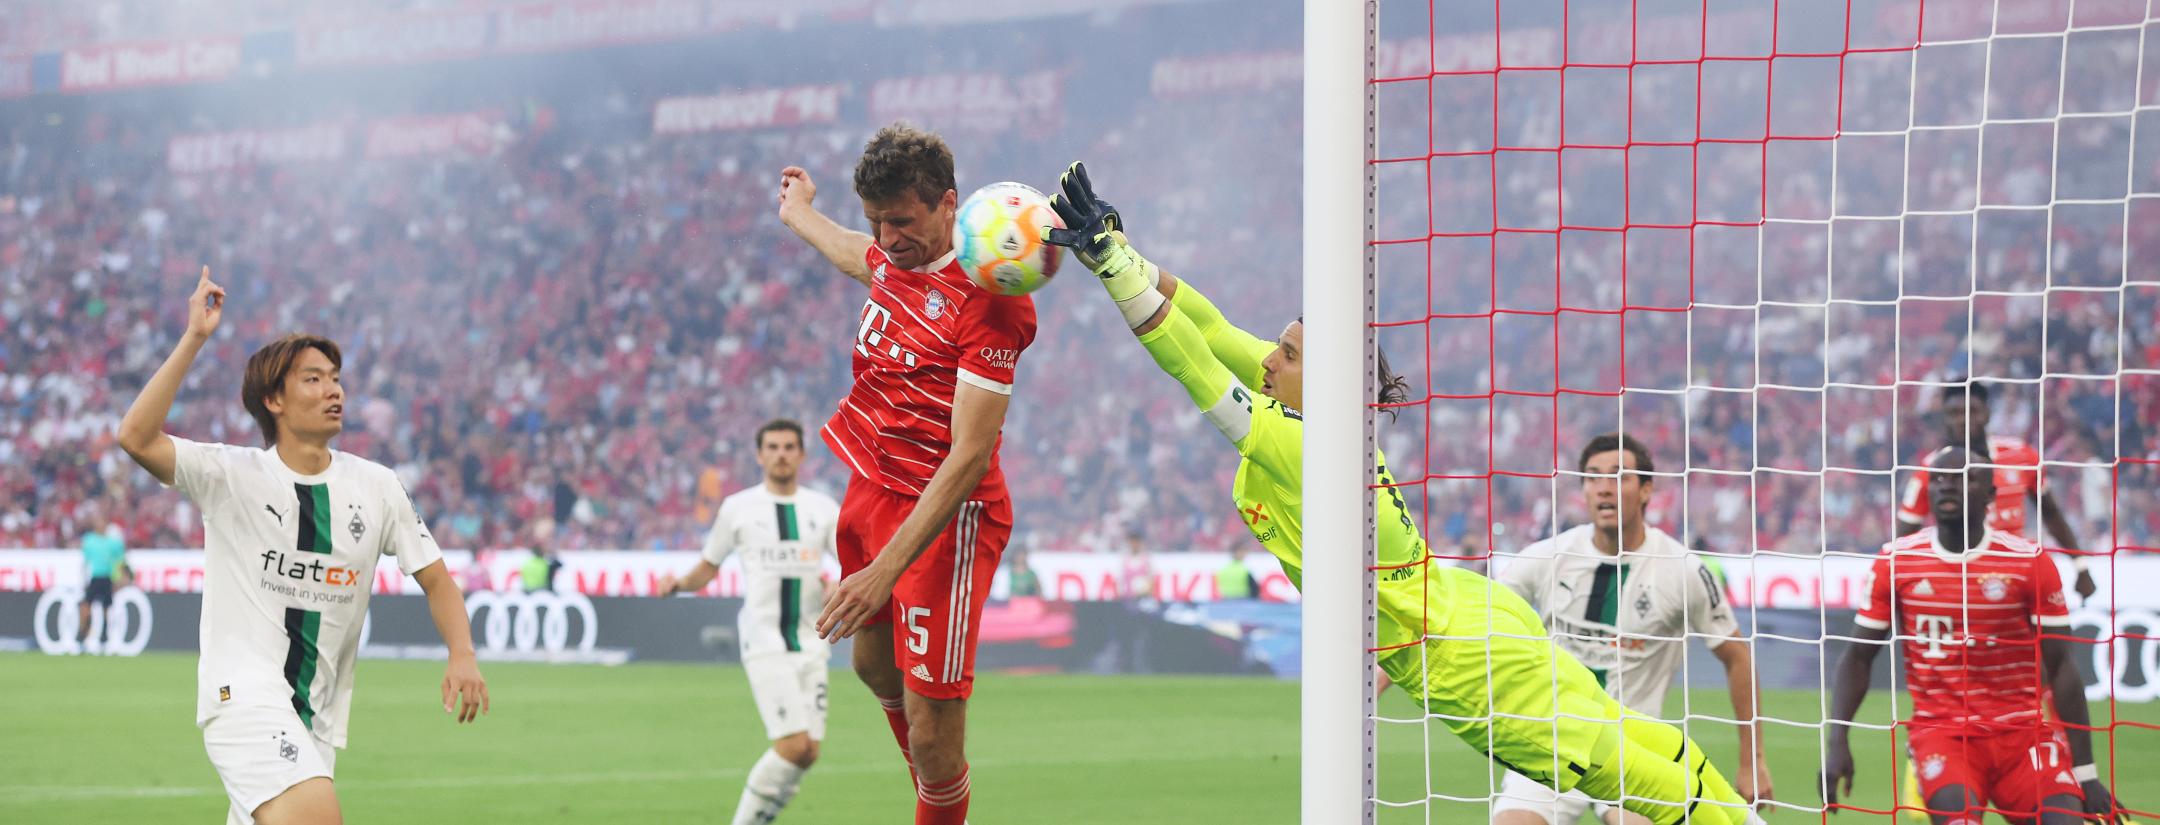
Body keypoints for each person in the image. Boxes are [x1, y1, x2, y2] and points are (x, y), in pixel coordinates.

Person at [1039, 162, 1758, 825]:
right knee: (1636, 743)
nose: (1268, 358)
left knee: (1621, 774)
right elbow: (1215, 325)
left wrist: (1109, 267)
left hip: (1457, 660)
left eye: (1286, 354)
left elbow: (1190, 362)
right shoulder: (1318, 419)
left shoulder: (1298, 442)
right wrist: (1129, 255)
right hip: (1473, 613)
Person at [115, 267, 489, 825]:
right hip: (242, 699)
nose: (333, 389)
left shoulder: (377, 486)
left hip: (313, 719)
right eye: (313, 379)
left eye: (335, 378)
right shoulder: (231, 475)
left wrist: (463, 654)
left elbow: (436, 580)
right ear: (275, 400)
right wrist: (195, 336)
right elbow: (135, 437)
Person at [777, 123, 1037, 825]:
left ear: (949, 203)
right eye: (877, 221)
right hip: (871, 487)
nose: (888, 237)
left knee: (933, 736)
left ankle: (937, 792)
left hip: (946, 518)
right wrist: (797, 210)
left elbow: (969, 456)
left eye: (903, 220)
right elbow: (855, 255)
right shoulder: (894, 256)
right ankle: (933, 793)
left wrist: (886, 569)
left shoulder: (992, 298)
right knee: (871, 666)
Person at [1823, 445, 2124, 824]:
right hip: (1944, 736)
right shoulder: (1896, 561)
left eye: (1964, 478)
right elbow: (1857, 657)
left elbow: (2062, 666)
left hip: (2022, 734)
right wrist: (1837, 742)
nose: (1947, 486)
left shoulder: (2029, 561)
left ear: (1990, 495)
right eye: (1939, 479)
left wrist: (2087, 773)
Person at [1492, 433, 1773, 825]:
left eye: (1619, 476)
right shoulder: (1547, 557)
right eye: (1592, 477)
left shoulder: (1683, 568)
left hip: (1633, 746)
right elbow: (1480, 611)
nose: (1604, 487)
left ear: (1645, 490)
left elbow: (1737, 656)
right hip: (1553, 739)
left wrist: (1752, 761)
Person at [660, 419, 840, 825]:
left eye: (789, 447)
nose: (781, 454)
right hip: (764, 642)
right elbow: (709, 567)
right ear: (759, 455)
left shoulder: (823, 509)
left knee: (808, 751)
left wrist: (838, 588)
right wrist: (679, 584)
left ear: (802, 454)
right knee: (793, 746)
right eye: (773, 447)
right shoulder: (738, 508)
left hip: (811, 643)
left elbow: (850, 566)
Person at [1896, 381, 2094, 601]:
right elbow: (1905, 535)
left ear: (1987, 414)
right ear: (1944, 419)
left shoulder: (2021, 456)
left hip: (2016, 577)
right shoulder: (1929, 468)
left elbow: (2050, 513)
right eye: (1954, 413)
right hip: (1956, 581)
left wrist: (2080, 565)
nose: (1962, 419)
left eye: (1971, 411)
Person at [77, 505, 128, 654]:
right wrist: (83, 579)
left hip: (107, 578)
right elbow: (85, 562)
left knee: (106, 609)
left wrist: (120, 578)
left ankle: (104, 639)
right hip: (94, 578)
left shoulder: (113, 542)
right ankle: (83, 637)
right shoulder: (89, 540)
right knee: (86, 608)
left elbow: (121, 561)